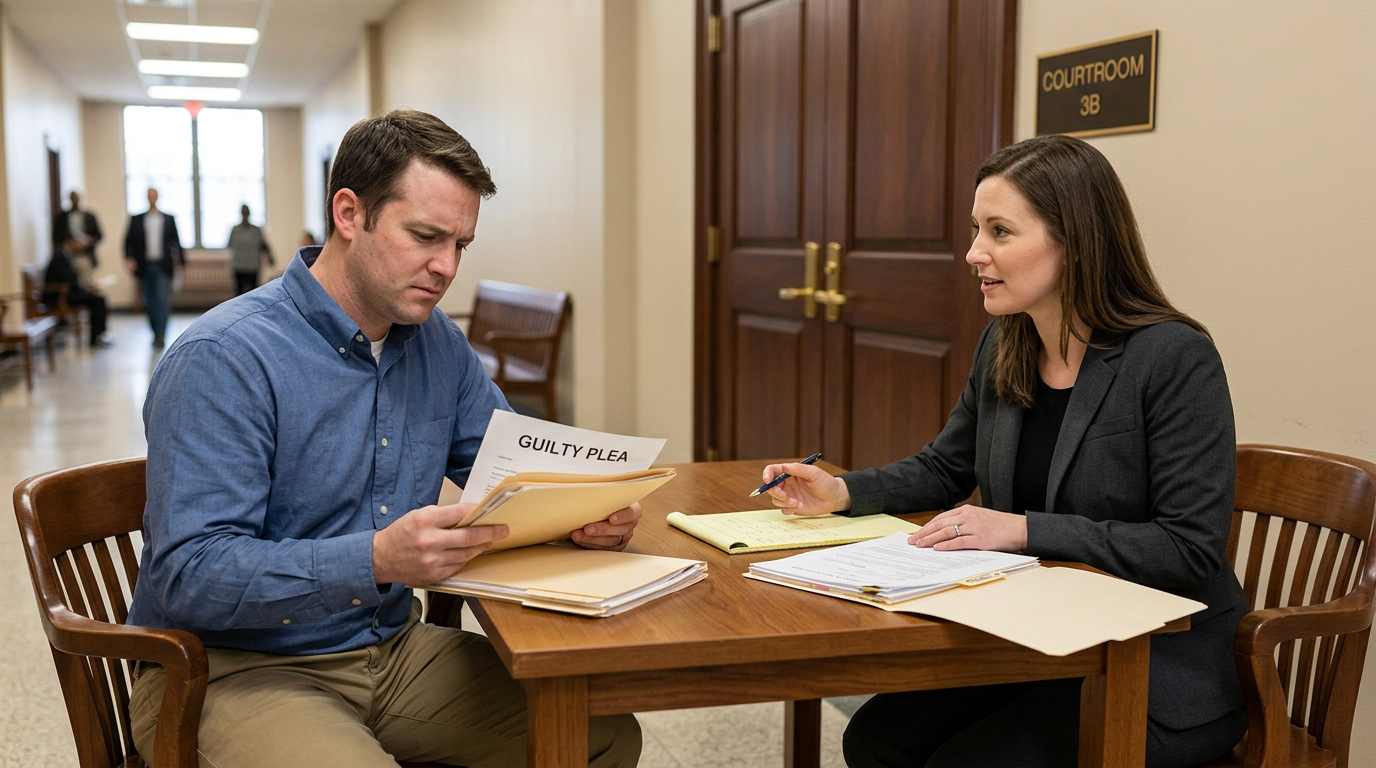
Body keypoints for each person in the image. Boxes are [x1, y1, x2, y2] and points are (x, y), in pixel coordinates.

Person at [125, 109, 642, 768]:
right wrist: (374, 560)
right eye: (425, 236)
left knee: (603, 732)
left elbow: (517, 470)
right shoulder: (224, 358)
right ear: (349, 213)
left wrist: (587, 512)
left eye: (461, 244)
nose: (447, 265)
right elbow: (189, 575)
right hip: (233, 670)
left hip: (391, 652)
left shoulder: (438, 346)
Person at [762, 134, 1249, 767]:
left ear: (1074, 241)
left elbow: (1188, 548)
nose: (973, 253)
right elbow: (945, 467)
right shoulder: (1006, 343)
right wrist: (846, 490)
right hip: (1036, 640)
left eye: (1000, 231)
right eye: (975, 229)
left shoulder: (1174, 358)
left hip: (1155, 668)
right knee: (874, 739)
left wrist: (1021, 529)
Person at [123, 188, 185, 348]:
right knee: (149, 301)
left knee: (162, 300)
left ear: (157, 198)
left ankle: (161, 334)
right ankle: (154, 330)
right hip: (145, 266)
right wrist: (129, 258)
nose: (151, 198)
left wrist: (181, 263)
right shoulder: (137, 219)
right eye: (149, 196)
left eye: (154, 195)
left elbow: (176, 242)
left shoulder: (168, 219)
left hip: (163, 266)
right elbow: (128, 241)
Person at [43, 243, 111, 348]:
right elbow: (67, 281)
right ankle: (96, 336)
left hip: (68, 293)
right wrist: (84, 289)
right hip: (61, 297)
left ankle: (99, 335)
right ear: (70, 240)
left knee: (99, 298)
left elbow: (71, 280)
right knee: (98, 300)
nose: (80, 245)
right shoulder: (60, 258)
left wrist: (86, 287)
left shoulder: (64, 256)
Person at [52, 190, 103, 292]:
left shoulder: (89, 216)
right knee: (71, 286)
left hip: (84, 255)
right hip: (68, 257)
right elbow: (55, 237)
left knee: (87, 285)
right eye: (72, 198)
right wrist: (69, 243)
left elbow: (99, 235)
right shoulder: (62, 217)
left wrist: (88, 241)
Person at [226, 204, 274, 295]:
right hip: (239, 266)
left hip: (253, 267)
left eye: (246, 212)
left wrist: (270, 257)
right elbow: (229, 245)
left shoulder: (256, 230)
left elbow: (264, 245)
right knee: (239, 293)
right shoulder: (235, 230)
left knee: (253, 292)